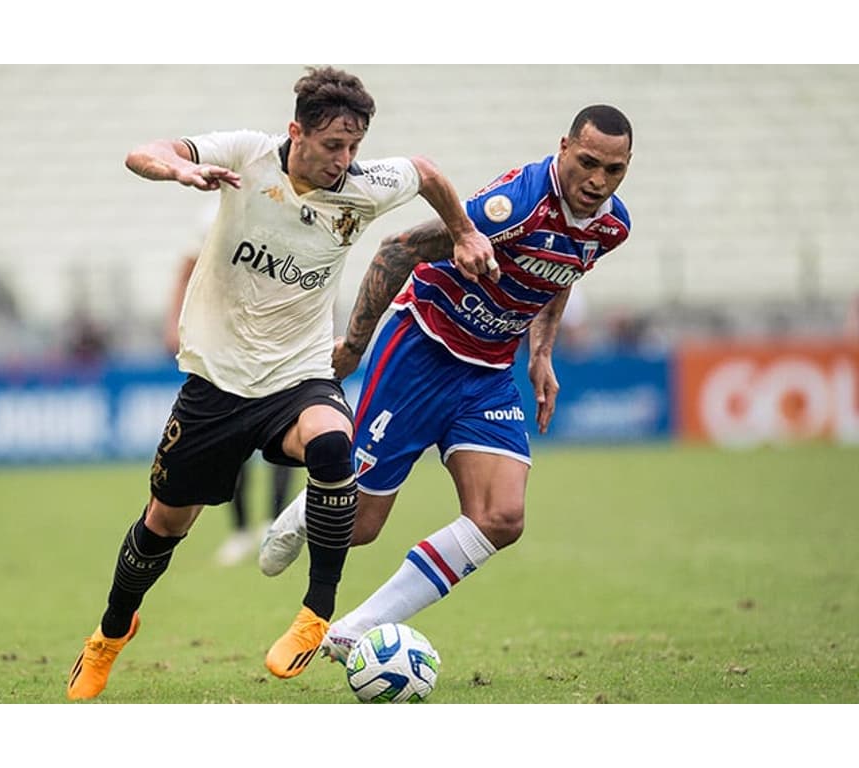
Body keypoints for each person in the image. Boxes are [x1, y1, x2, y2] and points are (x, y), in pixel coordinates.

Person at [65, 65, 495, 700]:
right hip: (217, 382)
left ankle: (315, 614)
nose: (344, 161)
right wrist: (178, 170)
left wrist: (462, 230)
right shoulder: (246, 155)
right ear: (297, 131)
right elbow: (143, 153)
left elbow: (426, 171)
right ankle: (109, 634)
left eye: (354, 147)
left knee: (331, 446)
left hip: (298, 375)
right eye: (332, 147)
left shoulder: (362, 185)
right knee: (164, 523)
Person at [258, 104, 633, 664]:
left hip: (488, 374)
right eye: (587, 163)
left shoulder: (611, 225)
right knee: (359, 526)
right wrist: (354, 347)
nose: (598, 181)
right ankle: (309, 507)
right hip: (421, 351)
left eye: (614, 170)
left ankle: (354, 628)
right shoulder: (515, 205)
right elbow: (397, 248)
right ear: (562, 148)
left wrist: (543, 352)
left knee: (502, 518)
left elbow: (561, 272)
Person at [166, 231, 297, 567]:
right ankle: (240, 530)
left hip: (279, 346)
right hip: (227, 350)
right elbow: (188, 269)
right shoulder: (215, 213)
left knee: (283, 434)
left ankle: (274, 523)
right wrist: (174, 322)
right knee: (232, 441)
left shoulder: (290, 205)